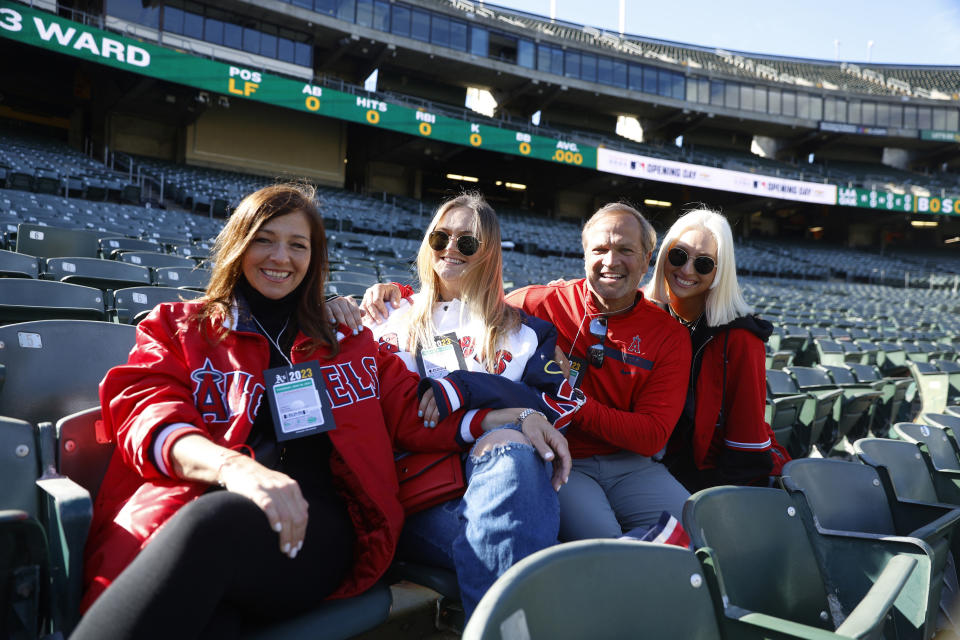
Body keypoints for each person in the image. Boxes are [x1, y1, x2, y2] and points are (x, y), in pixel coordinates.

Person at [72, 184, 564, 640]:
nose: (280, 257)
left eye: (298, 245)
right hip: (202, 507)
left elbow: (414, 418)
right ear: (238, 244)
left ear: (314, 257)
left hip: (320, 531)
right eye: (265, 240)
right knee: (214, 618)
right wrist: (236, 469)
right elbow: (147, 416)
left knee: (215, 525)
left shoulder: (346, 340)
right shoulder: (179, 328)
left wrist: (506, 418)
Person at [326, 192, 582, 617]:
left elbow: (556, 411)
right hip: (416, 490)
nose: (449, 249)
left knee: (516, 460)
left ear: (489, 253)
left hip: (504, 484)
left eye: (467, 242)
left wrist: (469, 387)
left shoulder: (528, 333)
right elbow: (377, 410)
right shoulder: (388, 315)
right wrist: (332, 308)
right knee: (534, 559)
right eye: (440, 238)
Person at [504, 202, 693, 541]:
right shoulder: (536, 303)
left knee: (697, 527)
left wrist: (573, 401)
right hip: (562, 459)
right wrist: (396, 294)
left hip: (631, 465)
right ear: (584, 255)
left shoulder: (669, 334)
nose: (610, 261)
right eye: (600, 249)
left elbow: (652, 434)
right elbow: (465, 311)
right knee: (603, 546)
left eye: (625, 250)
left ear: (647, 258)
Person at [643, 208, 789, 493]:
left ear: (720, 271)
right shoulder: (646, 315)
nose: (686, 270)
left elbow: (747, 442)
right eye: (679, 256)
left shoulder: (741, 337)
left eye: (704, 264)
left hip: (712, 476)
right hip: (647, 464)